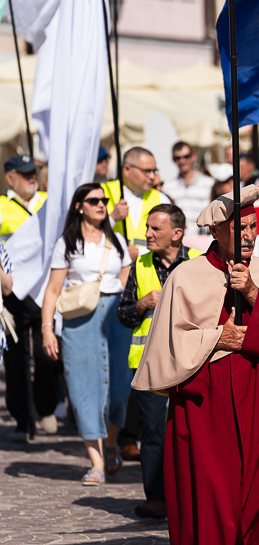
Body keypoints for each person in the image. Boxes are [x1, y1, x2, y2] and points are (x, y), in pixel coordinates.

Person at [130, 185, 259, 545]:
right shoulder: (186, 277)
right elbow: (169, 344)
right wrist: (216, 337)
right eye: (240, 228)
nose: (249, 235)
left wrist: (252, 294)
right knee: (208, 492)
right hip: (205, 404)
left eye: (253, 226)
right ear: (215, 232)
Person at [41, 183, 133, 485]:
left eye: (103, 200)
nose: (101, 204)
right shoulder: (66, 242)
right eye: (93, 200)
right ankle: (96, 462)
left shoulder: (116, 239)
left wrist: (116, 290)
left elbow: (125, 276)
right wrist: (47, 330)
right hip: (79, 320)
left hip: (114, 317)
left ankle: (111, 441)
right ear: (79, 205)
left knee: (120, 390)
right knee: (83, 389)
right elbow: (52, 290)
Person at [116, 204, 201, 519]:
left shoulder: (199, 263)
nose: (147, 234)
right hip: (150, 363)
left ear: (177, 234)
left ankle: (193, 495)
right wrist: (141, 304)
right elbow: (123, 315)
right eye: (147, 228)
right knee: (152, 430)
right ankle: (157, 498)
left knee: (193, 430)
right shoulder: (140, 265)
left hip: (193, 360)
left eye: (155, 229)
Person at [1, 154, 60, 441]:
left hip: (45, 291)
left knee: (46, 354)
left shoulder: (49, 203)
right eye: (25, 174)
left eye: (34, 172)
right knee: (16, 358)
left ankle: (46, 407)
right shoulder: (1, 207)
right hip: (11, 294)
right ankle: (23, 419)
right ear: (10, 178)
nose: (32, 178)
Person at [102, 146, 171, 260]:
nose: (152, 176)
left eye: (154, 171)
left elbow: (170, 242)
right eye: (147, 171)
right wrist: (112, 218)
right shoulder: (103, 193)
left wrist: (140, 252)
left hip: (147, 270)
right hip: (110, 268)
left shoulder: (161, 199)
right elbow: (86, 235)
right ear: (127, 170)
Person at [162, 141, 215, 232]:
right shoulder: (167, 187)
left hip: (204, 239)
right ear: (173, 160)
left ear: (194, 156)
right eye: (178, 158)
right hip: (179, 238)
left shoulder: (209, 183)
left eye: (186, 156)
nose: (182, 161)